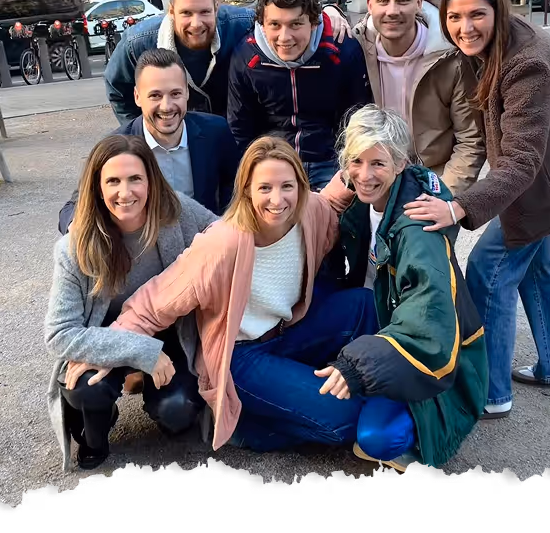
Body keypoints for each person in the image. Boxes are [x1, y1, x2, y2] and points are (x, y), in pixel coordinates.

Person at [402, 0, 550, 420]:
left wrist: (458, 207)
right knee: (536, 265)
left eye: (476, 14)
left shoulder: (527, 64)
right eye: (454, 17)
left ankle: (490, 391)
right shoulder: (496, 44)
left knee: (489, 270)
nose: (465, 27)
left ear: (498, 10)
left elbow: (521, 161)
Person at [96, 136, 379, 454]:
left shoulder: (309, 212)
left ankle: (289, 393)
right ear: (246, 190)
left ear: (301, 187)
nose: (277, 200)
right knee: (346, 418)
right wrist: (111, 347)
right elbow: (153, 303)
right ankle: (246, 427)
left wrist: (358, 174)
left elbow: (330, 202)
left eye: (287, 186)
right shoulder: (222, 243)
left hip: (287, 330)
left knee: (364, 304)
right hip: (241, 357)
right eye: (264, 188)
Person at [314, 104, 488, 472]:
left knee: (377, 439)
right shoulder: (358, 197)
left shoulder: (417, 229)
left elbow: (427, 325)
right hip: (377, 310)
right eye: (356, 161)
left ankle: (417, 425)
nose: (365, 175)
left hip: (430, 351)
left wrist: (358, 367)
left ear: (400, 163)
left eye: (378, 163)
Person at [45, 134, 219, 472]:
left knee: (178, 411)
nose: (125, 192)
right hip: (104, 334)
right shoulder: (73, 248)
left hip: (170, 334)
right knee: (87, 390)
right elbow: (59, 333)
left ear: (151, 181)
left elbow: (222, 235)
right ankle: (96, 430)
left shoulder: (178, 211)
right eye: (113, 181)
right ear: (97, 188)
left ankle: (158, 397)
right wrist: (142, 352)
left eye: (135, 179)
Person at [105, 0, 353, 123]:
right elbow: (116, 88)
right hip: (174, 135)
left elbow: (284, 15)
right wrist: (140, 130)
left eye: (204, 12)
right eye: (186, 13)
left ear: (217, 7)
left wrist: (328, 13)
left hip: (228, 136)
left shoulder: (242, 24)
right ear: (171, 11)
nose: (196, 23)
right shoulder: (138, 43)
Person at [336, 0, 485, 199]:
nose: (392, 11)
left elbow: (470, 141)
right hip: (373, 177)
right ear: (370, 5)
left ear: (418, 3)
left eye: (403, 0)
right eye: (383, 1)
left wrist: (442, 196)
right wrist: (330, 10)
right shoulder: (357, 49)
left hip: (432, 180)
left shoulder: (449, 57)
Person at [58, 49, 240, 234]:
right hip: (145, 245)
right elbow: (74, 205)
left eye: (175, 94)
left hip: (204, 239)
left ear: (187, 93)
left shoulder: (215, 132)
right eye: (155, 95)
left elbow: (235, 188)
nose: (166, 106)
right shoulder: (115, 147)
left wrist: (225, 227)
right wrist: (77, 227)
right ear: (137, 97)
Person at [226, 0, 372, 190]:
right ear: (262, 24)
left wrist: (347, 170)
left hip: (329, 161)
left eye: (295, 24)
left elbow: (355, 120)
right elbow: (240, 127)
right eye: (275, 25)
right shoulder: (247, 57)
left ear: (313, 22)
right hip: (272, 160)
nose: (284, 37)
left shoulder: (342, 51)